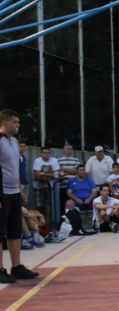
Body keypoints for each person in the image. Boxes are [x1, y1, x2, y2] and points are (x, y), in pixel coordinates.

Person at [0, 109, 39, 283]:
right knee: (0, 232)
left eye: (19, 122)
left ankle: (16, 267)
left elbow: (13, 168)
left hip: (14, 192)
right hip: (2, 193)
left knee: (15, 230)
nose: (18, 125)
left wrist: (19, 189)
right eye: (15, 122)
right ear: (5, 122)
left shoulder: (14, 141)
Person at [32, 146, 60, 215]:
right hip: (38, 186)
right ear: (41, 154)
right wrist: (51, 174)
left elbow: (57, 174)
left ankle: (45, 222)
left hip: (48, 186)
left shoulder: (54, 160)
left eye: (48, 152)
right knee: (39, 205)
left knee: (46, 206)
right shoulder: (37, 161)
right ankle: (38, 222)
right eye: (45, 153)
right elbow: (37, 175)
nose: (47, 154)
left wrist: (43, 174)